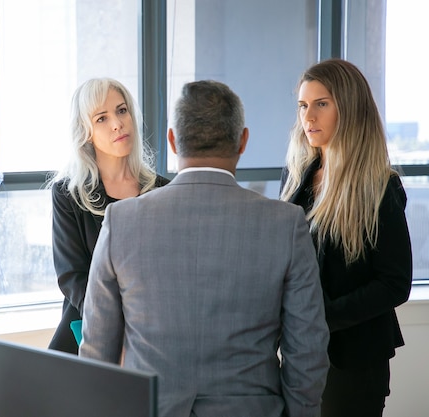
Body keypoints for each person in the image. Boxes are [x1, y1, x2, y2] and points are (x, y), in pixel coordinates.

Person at [80, 80, 330, 417]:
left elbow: (97, 355)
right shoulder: (285, 224)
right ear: (243, 140)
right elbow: (308, 351)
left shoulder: (121, 221)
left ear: (172, 141)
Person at [279, 58, 413, 417]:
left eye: (321, 104)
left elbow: (395, 283)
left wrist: (322, 317)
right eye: (303, 106)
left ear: (350, 108)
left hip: (353, 361)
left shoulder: (379, 187)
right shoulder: (296, 178)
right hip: (300, 356)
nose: (309, 118)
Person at [46, 77, 169, 354]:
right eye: (102, 118)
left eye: (122, 110)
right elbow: (72, 277)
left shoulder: (163, 190)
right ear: (86, 131)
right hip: (89, 332)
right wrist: (117, 327)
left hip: (154, 337)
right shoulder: (68, 194)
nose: (117, 123)